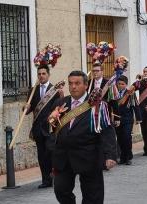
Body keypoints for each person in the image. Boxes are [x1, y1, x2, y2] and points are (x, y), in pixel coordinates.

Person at [50, 70, 117, 204]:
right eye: (70, 83)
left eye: (77, 83)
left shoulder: (98, 105)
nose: (73, 86)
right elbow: (52, 128)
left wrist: (110, 155)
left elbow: (107, 131)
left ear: (86, 85)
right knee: (60, 190)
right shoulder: (61, 102)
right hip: (64, 157)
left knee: (93, 195)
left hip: (89, 156)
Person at [25, 65, 64, 189]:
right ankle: (46, 180)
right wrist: (25, 108)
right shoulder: (33, 90)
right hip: (37, 128)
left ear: (48, 75)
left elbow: (59, 109)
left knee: (50, 152)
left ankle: (56, 175)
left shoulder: (55, 91)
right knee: (41, 155)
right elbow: (28, 110)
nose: (41, 76)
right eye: (39, 74)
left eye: (43, 73)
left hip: (50, 128)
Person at [111, 75, 142, 165]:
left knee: (127, 137)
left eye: (122, 84)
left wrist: (139, 118)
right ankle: (122, 157)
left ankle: (128, 157)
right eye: (119, 84)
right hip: (117, 119)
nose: (120, 86)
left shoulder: (130, 93)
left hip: (128, 119)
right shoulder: (113, 93)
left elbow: (135, 105)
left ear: (126, 84)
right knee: (120, 138)